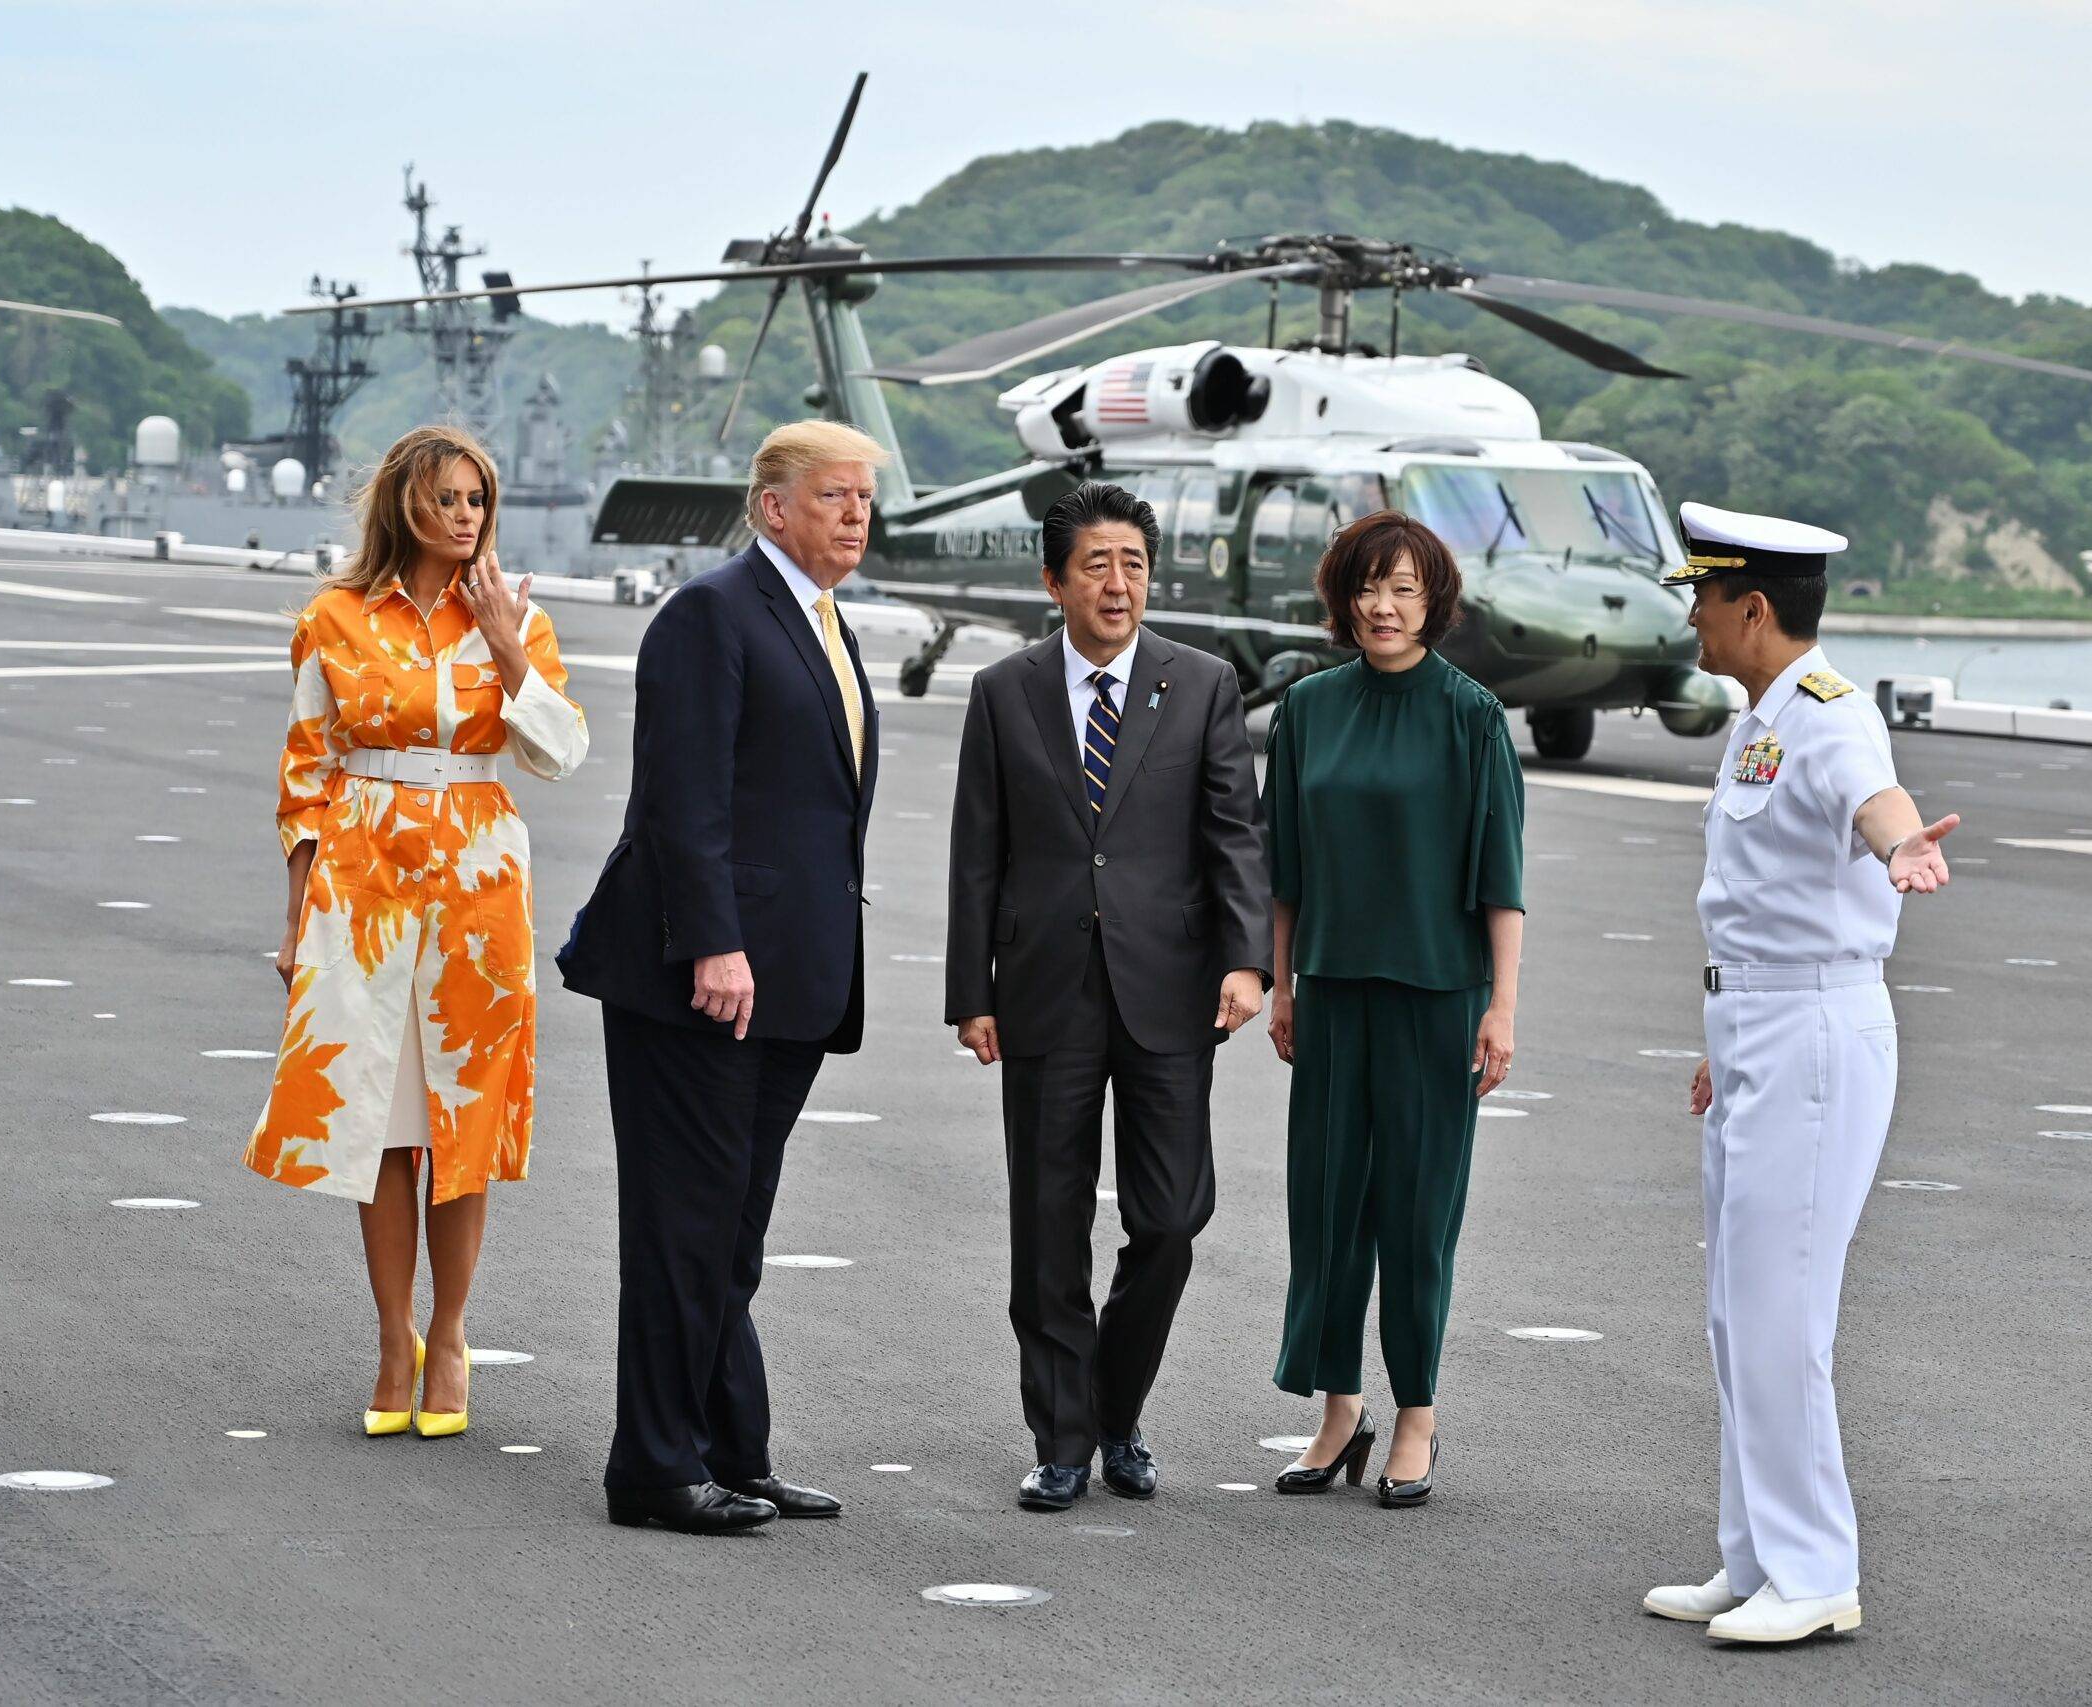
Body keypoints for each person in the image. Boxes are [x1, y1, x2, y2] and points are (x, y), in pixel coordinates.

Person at [558, 420, 885, 1536]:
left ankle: (729, 1452)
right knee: (681, 1229)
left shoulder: (821, 620)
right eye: (834, 496)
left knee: (732, 1233)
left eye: (863, 499)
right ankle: (652, 1468)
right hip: (700, 977)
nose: (855, 514)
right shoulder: (711, 613)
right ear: (772, 507)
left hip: (789, 980)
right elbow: (678, 798)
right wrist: (713, 940)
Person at [1640, 502, 1957, 1645]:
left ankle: (1817, 1573)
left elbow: (1874, 802)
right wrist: (1721, 1042)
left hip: (1817, 1033)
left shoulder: (1828, 716)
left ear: (1752, 609)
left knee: (1781, 1313)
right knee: (1738, 1312)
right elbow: (1761, 899)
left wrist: (1903, 847)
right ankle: (1756, 1555)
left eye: (1704, 596)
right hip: (1759, 1028)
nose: (1692, 614)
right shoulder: (1761, 715)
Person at [245, 424, 589, 1441]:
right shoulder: (334, 619)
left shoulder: (518, 617)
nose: (464, 517)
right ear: (404, 504)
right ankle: (392, 1337)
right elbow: (304, 779)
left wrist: (506, 641)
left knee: (464, 1129)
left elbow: (560, 751)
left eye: (478, 500)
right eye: (446, 499)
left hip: (480, 890)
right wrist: (296, 921)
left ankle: (451, 1335)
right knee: (383, 1129)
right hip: (363, 883)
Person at [944, 481, 1271, 1512]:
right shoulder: (1004, 691)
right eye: (1097, 565)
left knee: (1170, 1220)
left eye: (1132, 564)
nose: (1118, 583)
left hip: (1169, 988)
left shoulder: (1202, 683)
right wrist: (970, 991)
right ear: (1055, 581)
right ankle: (1062, 1438)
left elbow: (1232, 833)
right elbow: (977, 853)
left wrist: (1246, 958)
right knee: (1046, 1226)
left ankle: (1114, 1407)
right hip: (1040, 988)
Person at [1261, 510, 1524, 1511]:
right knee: (1326, 1207)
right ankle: (1338, 1406)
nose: (1383, 605)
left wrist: (1500, 1006)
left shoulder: (1470, 716)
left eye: (1404, 588)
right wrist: (1284, 982)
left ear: (1433, 601)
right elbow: (1283, 869)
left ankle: (1416, 1411)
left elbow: (1500, 877)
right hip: (1330, 989)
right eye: (1369, 586)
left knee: (1416, 1213)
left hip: (1436, 995)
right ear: (1343, 595)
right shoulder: (1309, 711)